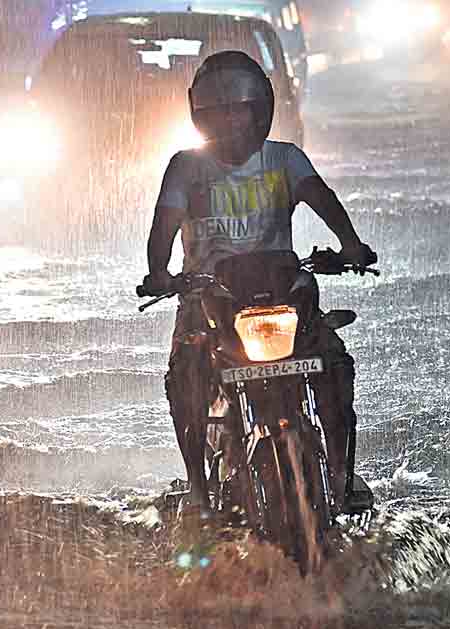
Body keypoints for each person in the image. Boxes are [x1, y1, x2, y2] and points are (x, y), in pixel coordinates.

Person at [140, 50, 377, 516]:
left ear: (260, 112)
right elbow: (163, 225)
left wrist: (351, 246)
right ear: (201, 118)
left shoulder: (284, 158)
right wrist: (159, 273)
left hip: (283, 288)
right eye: (217, 113)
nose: (229, 122)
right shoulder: (185, 166)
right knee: (186, 374)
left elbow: (321, 198)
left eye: (239, 111)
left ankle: (340, 474)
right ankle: (199, 490)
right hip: (209, 296)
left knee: (332, 362)